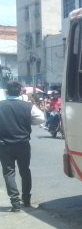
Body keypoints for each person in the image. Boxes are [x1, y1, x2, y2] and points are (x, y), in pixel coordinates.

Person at [0, 80, 45, 211]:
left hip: (4, 145)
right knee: (25, 171)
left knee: (9, 173)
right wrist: (27, 121)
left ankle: (15, 202)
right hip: (23, 144)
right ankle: (26, 200)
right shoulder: (27, 106)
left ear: (7, 92)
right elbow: (41, 118)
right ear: (20, 92)